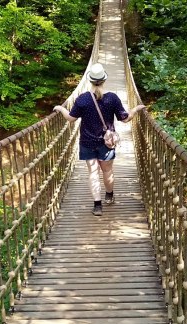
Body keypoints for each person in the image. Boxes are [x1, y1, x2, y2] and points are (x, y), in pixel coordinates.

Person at [54, 63, 145, 216]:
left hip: (87, 143)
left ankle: (97, 206)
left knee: (93, 173)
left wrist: (61, 108)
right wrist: (135, 109)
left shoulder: (82, 99)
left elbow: (70, 118)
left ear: (90, 80)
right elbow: (124, 119)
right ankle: (109, 196)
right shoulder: (113, 98)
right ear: (104, 80)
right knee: (107, 171)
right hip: (107, 143)